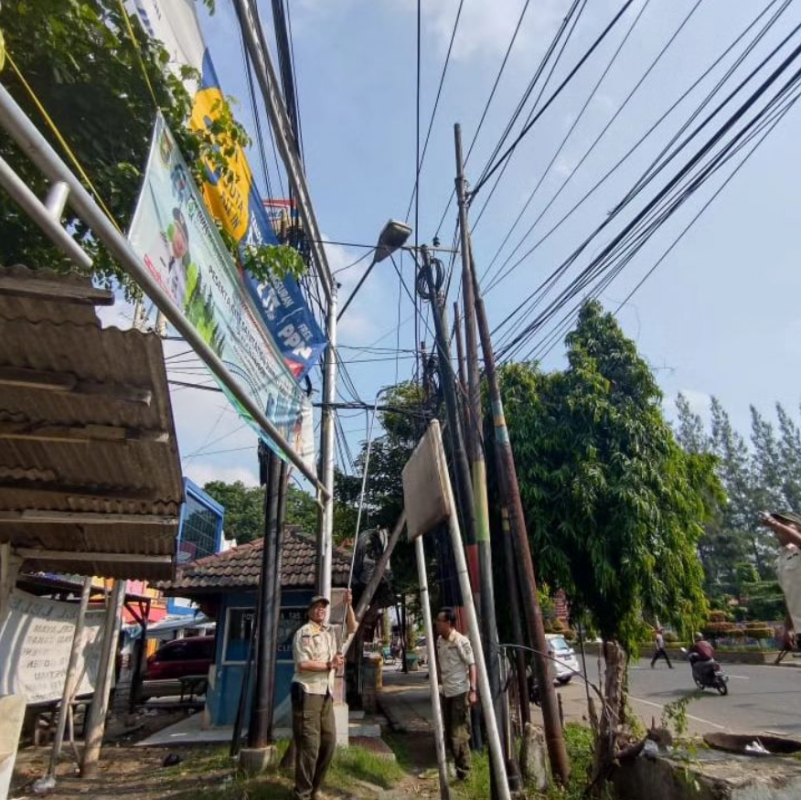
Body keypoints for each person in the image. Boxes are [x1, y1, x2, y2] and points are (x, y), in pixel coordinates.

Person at [291, 590, 357, 800]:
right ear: (310, 611)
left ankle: (315, 789)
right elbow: (303, 665)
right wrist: (330, 664)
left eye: (324, 606)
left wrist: (349, 605)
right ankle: (303, 793)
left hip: (325, 693)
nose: (321, 609)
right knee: (310, 746)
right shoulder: (304, 633)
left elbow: (353, 628)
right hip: (308, 692)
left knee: (329, 742)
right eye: (317, 606)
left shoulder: (330, 632)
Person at [435, 607, 477, 781]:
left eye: (440, 621)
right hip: (446, 692)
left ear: (449, 623)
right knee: (448, 731)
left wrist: (473, 690)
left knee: (458, 734)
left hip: (460, 691)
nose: (437, 624)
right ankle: (458, 769)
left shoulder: (460, 641)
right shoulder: (439, 641)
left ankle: (465, 772)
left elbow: (472, 665)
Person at [760, 511, 801, 649]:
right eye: (775, 528)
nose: (777, 530)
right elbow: (789, 595)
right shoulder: (780, 559)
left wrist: (776, 524)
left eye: (785, 524)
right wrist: (788, 627)